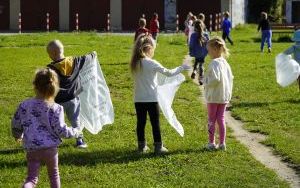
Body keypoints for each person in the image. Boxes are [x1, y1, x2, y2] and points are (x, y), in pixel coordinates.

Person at [11, 68, 80, 188]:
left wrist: (18, 135)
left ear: (35, 85)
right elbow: (61, 130)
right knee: (54, 174)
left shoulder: (24, 105)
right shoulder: (56, 108)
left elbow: (16, 123)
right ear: (55, 87)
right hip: (50, 149)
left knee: (31, 178)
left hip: (32, 148)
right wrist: (75, 131)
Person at [130, 33, 190, 154]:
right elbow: (168, 73)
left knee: (140, 123)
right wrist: (181, 68)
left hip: (138, 99)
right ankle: (158, 147)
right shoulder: (151, 63)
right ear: (149, 48)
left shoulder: (135, 63)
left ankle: (141, 147)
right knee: (155, 123)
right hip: (151, 99)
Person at [46, 40, 95, 148]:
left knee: (55, 121)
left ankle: (54, 139)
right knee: (75, 120)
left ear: (52, 54)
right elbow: (86, 58)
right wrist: (93, 54)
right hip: (73, 99)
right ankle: (80, 140)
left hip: (57, 102)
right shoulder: (75, 61)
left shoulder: (50, 69)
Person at [203, 36, 233, 151]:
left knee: (211, 119)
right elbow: (231, 78)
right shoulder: (225, 63)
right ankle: (222, 143)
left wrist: (205, 82)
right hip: (224, 96)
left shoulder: (214, 63)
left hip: (213, 96)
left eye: (209, 50)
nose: (208, 53)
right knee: (221, 118)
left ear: (215, 50)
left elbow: (215, 79)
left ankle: (211, 143)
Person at [189, 19, 209, 85]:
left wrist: (191, 51)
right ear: (203, 26)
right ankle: (201, 79)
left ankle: (194, 71)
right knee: (201, 65)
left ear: (195, 27)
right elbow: (208, 44)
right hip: (203, 52)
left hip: (196, 52)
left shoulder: (193, 35)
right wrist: (208, 51)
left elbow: (191, 44)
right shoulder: (206, 35)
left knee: (196, 61)